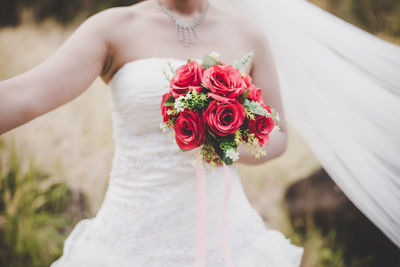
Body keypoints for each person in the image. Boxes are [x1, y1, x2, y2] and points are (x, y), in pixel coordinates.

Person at [0, 0, 304, 266]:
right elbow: (27, 94)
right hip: (130, 235)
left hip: (224, 237)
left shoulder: (248, 34)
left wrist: (222, 139)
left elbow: (276, 135)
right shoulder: (114, 27)